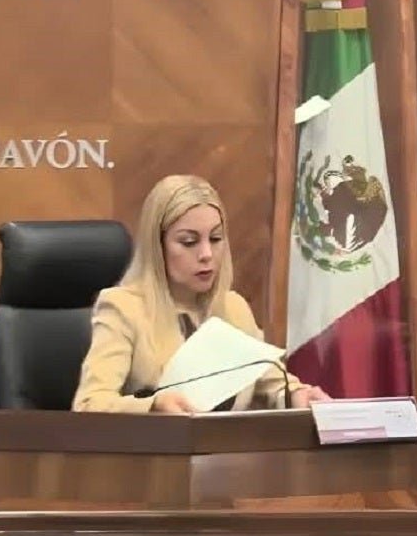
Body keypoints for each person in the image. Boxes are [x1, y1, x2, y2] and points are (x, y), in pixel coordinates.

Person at [73, 175, 330, 413]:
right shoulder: (123, 308)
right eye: (189, 242)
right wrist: (153, 405)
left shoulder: (233, 308)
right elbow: (89, 404)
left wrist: (297, 395)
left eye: (215, 239)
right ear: (158, 246)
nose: (206, 254)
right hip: (157, 448)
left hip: (231, 447)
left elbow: (273, 382)